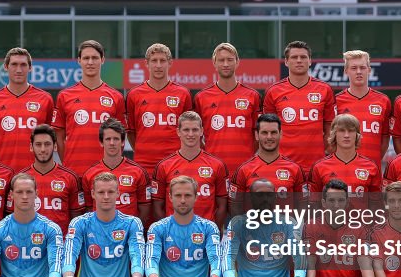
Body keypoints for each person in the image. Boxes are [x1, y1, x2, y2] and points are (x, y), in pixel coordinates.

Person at [59, 173, 147, 277]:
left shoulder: (131, 223)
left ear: (118, 193)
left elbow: (138, 255)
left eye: (110, 192)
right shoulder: (80, 223)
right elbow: (69, 254)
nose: (106, 197)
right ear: (93, 194)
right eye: (101, 192)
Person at [221, 179, 305, 277]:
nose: (265, 199)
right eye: (259, 195)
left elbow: (300, 256)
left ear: (275, 197)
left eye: (269, 195)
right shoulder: (238, 223)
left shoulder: (288, 223)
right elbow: (227, 256)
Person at [143, 176, 224, 277]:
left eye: (187, 195)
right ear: (170, 197)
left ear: (196, 197)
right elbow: (151, 258)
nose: (182, 200)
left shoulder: (209, 227)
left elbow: (215, 257)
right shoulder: (157, 228)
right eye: (178, 195)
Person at [52, 40, 126, 177]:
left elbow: (121, 137)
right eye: (86, 58)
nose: (90, 62)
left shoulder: (116, 97)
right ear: (79, 61)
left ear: (102, 60)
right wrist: (68, 163)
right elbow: (59, 136)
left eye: (95, 58)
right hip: (74, 172)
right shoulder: (65, 96)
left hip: (106, 175)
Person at [303, 179, 381, 277]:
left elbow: (365, 263)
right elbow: (310, 262)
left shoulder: (359, 228)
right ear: (324, 203)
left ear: (346, 203)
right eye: (332, 200)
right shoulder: (311, 225)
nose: (336, 205)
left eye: (340, 200)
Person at [262, 41, 334, 171]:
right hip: (282, 165)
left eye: (303, 57)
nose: (299, 61)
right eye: (294, 57)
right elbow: (267, 130)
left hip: (316, 165)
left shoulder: (325, 90)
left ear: (310, 61)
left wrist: (323, 150)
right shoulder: (273, 91)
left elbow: (330, 127)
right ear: (286, 61)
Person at [194, 42, 262, 176]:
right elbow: (195, 137)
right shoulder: (201, 97)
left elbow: (259, 136)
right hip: (212, 170)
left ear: (237, 62)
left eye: (230, 60)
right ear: (214, 63)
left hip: (245, 170)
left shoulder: (252, 96)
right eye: (221, 60)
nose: (225, 64)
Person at [125, 43, 191, 176]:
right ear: (147, 63)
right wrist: (145, 151)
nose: (158, 65)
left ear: (170, 63)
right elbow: (131, 132)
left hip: (175, 164)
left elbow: (188, 131)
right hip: (144, 164)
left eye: (162, 61)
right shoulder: (134, 94)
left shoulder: (183, 94)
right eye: (154, 61)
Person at [154, 112, 229, 229]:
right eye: (186, 130)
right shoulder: (164, 165)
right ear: (178, 132)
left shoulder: (217, 165)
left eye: (195, 130)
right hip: (173, 234)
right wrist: (167, 230)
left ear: (201, 131)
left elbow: (222, 206)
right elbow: (157, 207)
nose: (190, 134)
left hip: (205, 234)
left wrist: (214, 230)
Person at [0, 47, 54, 171]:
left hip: (35, 172)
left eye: (23, 65)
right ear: (6, 67)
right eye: (14, 64)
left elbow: (47, 135)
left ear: (30, 68)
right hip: (2, 172)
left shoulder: (45, 99)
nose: (19, 70)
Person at [227, 113, 305, 219]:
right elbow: (235, 206)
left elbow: (303, 204)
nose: (269, 137)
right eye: (264, 133)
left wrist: (295, 229)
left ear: (280, 134)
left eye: (273, 132)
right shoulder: (244, 170)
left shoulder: (295, 169)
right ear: (256, 135)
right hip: (253, 232)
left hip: (285, 233)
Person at [15, 125, 84, 231]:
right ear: (31, 147)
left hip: (60, 243)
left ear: (55, 146)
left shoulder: (70, 177)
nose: (43, 149)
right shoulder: (20, 179)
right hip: (28, 243)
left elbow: (77, 218)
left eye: (47, 144)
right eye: (38, 144)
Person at [82, 119, 152, 221]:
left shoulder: (138, 172)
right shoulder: (89, 174)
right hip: (99, 233)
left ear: (123, 142)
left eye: (116, 139)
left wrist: (131, 228)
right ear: (101, 142)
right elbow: (89, 209)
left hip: (129, 233)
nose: (112, 143)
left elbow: (145, 209)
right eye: (108, 139)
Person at [308, 114, 384, 201]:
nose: (346, 135)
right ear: (334, 134)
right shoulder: (319, 167)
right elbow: (314, 205)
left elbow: (376, 206)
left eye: (351, 131)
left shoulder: (371, 167)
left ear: (357, 135)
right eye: (341, 130)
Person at [334, 50, 391, 164]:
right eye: (354, 68)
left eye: (362, 68)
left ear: (369, 70)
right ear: (346, 71)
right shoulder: (336, 101)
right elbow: (331, 138)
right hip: (343, 169)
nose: (359, 72)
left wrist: (372, 161)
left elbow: (385, 139)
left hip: (372, 169)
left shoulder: (383, 101)